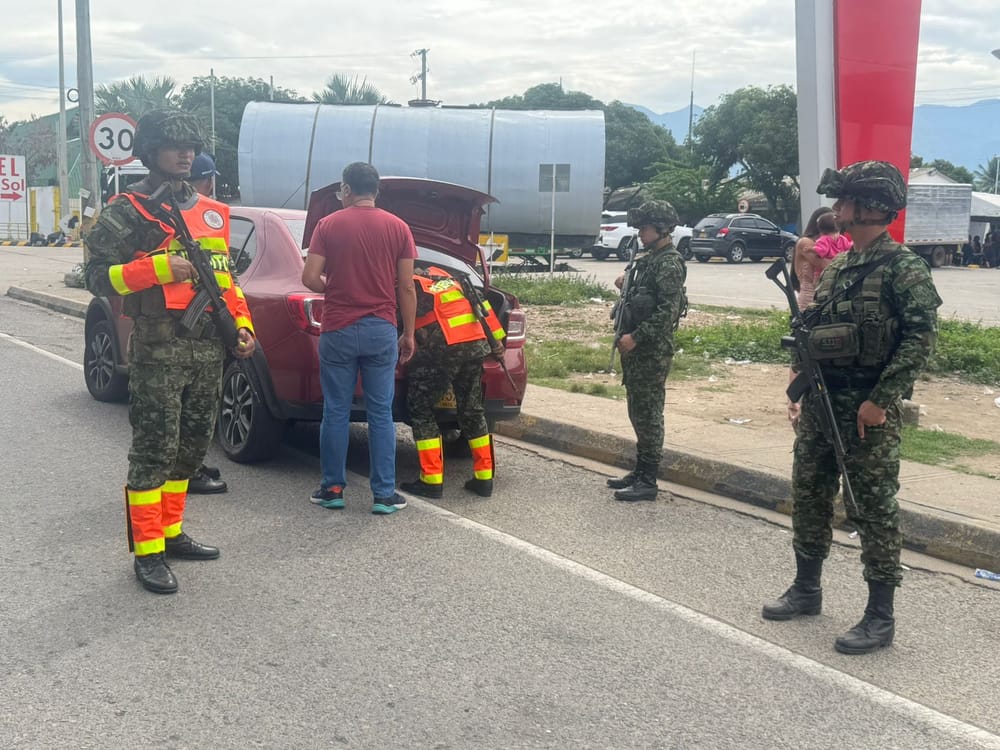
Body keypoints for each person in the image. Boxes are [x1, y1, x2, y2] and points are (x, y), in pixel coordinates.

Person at [762, 160, 942, 655]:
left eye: (844, 201)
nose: (837, 210)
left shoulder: (904, 268)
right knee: (810, 493)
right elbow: (818, 333)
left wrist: (880, 401)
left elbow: (920, 340)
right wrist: (797, 380)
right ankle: (806, 589)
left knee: (873, 508)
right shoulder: (839, 266)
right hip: (822, 400)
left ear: (868, 207)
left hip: (866, 409)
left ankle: (879, 616)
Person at [83, 109, 256, 594]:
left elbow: (226, 280)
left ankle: (172, 531)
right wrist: (157, 270)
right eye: (174, 145)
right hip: (158, 350)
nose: (185, 154)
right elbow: (97, 276)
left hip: (208, 348)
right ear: (151, 151)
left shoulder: (211, 212)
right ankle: (148, 551)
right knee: (153, 452)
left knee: (191, 450)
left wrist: (243, 325)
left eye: (190, 145)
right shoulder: (128, 210)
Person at [301, 162, 417, 514]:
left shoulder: (327, 225)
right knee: (380, 412)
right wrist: (409, 332)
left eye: (340, 191)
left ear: (346, 189)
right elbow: (407, 286)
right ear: (376, 191)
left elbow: (309, 277)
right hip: (381, 328)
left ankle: (332, 489)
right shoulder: (399, 228)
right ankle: (383, 495)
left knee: (335, 411)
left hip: (338, 327)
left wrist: (333, 289)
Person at [398, 266, 505, 500]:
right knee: (472, 411)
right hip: (474, 344)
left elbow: (402, 316)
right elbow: (481, 305)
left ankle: (431, 482)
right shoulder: (448, 276)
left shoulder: (410, 283)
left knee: (422, 410)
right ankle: (484, 479)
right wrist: (496, 342)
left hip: (444, 347)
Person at [606, 200, 687, 502]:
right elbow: (645, 297)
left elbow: (667, 313)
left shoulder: (668, 262)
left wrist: (636, 338)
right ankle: (640, 471)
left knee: (649, 413)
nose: (640, 232)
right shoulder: (650, 258)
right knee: (637, 410)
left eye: (645, 227)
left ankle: (648, 480)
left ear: (662, 228)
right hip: (637, 349)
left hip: (650, 350)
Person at [183, 150, 228, 495]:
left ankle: (192, 465)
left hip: (208, 332)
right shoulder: (161, 213)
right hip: (173, 332)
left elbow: (225, 277)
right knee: (183, 411)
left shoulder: (215, 217)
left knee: (198, 410)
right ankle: (187, 469)